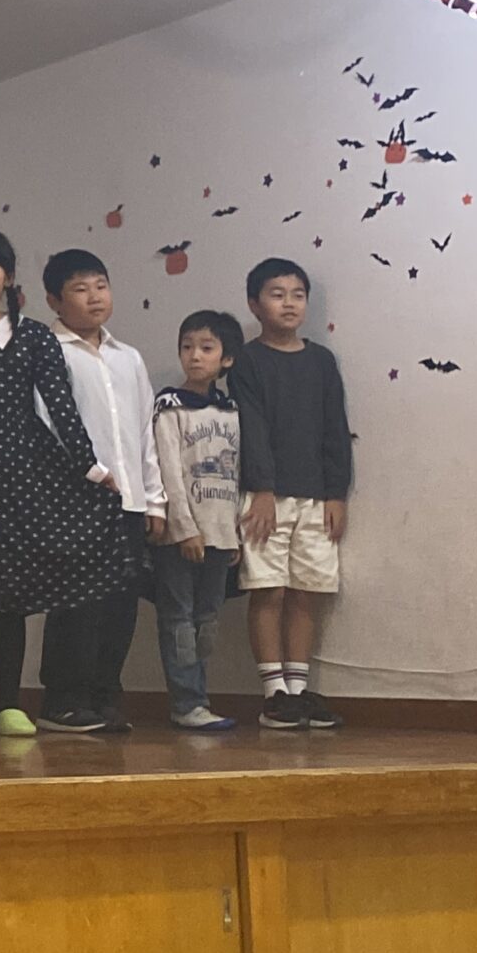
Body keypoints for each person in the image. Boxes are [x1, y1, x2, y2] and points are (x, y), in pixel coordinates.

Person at [0, 229, 129, 737]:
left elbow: (61, 407)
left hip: (23, 478)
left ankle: (11, 704)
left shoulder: (36, 337)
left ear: (9, 277)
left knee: (10, 597)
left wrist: (91, 468)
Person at [36, 249, 161, 733]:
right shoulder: (48, 351)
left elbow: (145, 432)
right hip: (74, 502)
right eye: (80, 289)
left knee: (120, 605)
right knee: (75, 603)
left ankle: (106, 694)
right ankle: (63, 699)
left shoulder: (128, 357)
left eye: (101, 286)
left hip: (127, 500)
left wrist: (154, 499)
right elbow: (46, 429)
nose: (94, 297)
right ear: (54, 300)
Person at [235, 259, 352, 731]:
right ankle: (274, 694)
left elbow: (335, 428)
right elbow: (251, 428)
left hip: (315, 495)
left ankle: (299, 691)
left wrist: (336, 493)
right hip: (265, 497)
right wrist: (262, 488)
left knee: (307, 589)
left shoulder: (321, 361)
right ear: (254, 304)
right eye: (277, 294)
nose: (289, 303)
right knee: (269, 589)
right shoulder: (247, 361)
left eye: (298, 294)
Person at [152, 310, 244, 732]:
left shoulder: (230, 410)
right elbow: (169, 471)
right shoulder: (170, 407)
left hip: (221, 534)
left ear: (227, 359)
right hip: (182, 536)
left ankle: (201, 698)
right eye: (187, 347)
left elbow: (236, 473)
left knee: (208, 619)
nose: (194, 356)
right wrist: (184, 528)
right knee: (179, 619)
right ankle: (186, 702)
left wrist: (234, 533)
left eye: (206, 348)